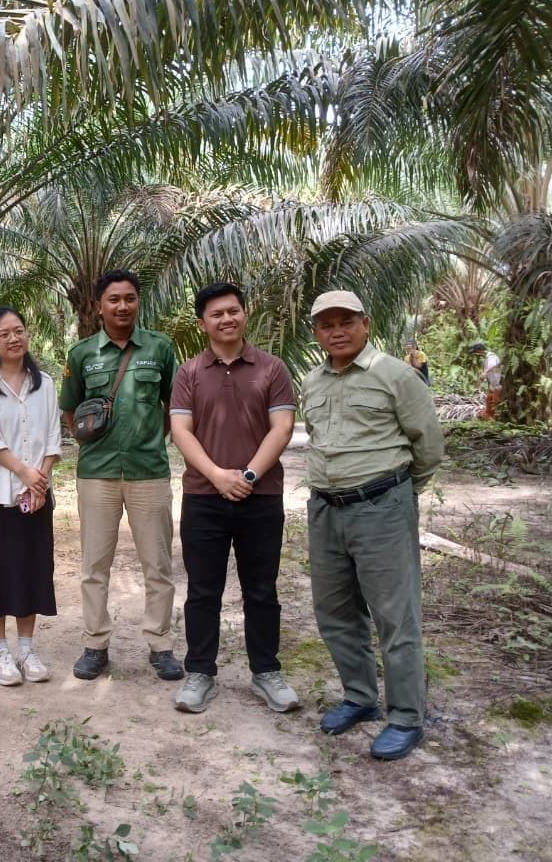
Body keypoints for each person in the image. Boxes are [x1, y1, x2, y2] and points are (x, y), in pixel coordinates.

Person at [303, 290, 444, 761]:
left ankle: (405, 716)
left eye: (346, 321)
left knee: (394, 614)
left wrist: (397, 494)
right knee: (335, 610)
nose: (336, 331)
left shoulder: (396, 375)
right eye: (326, 325)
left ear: (365, 323)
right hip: (325, 509)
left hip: (381, 506)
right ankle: (360, 698)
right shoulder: (313, 382)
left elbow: (428, 447)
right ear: (317, 333)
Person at [168, 283, 300, 715]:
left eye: (233, 311)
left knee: (261, 590)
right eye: (216, 314)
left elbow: (281, 428)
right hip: (204, 497)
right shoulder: (188, 373)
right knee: (203, 590)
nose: (227, 319)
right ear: (202, 322)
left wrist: (245, 476)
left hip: (260, 496)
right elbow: (181, 431)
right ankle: (200, 673)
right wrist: (217, 476)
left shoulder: (272, 368)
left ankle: (266, 672)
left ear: (245, 313)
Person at [59, 269, 182, 682]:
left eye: (130, 298)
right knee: (95, 566)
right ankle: (95, 645)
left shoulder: (161, 348)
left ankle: (160, 645)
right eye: (114, 299)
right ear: (99, 306)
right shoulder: (81, 354)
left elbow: (174, 406)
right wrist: (93, 444)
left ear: (138, 302)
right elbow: (71, 410)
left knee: (158, 565)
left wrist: (151, 441)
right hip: (97, 474)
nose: (122, 306)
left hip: (150, 472)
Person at [0, 307, 61, 687]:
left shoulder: (46, 385)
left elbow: (53, 439)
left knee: (33, 570)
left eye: (19, 331)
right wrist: (26, 475)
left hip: (37, 495)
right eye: (4, 334)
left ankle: (26, 649)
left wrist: (40, 483)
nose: (13, 338)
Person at [469, 341, 502, 419]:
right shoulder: (486, 359)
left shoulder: (492, 356)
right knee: (489, 402)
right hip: (492, 385)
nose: (476, 354)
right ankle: (489, 418)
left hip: (498, 384)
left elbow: (493, 365)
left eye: (476, 352)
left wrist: (485, 372)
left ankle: (495, 419)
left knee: (495, 403)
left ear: (479, 350)